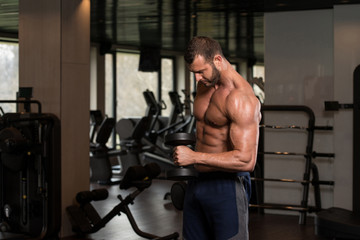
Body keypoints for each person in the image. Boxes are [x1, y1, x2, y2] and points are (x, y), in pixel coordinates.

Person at [173, 36, 262, 240]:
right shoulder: (204, 85)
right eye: (193, 72)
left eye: (200, 71)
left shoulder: (241, 98)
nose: (197, 78)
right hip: (197, 181)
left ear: (218, 60)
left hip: (227, 186)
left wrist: (194, 157)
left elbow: (246, 160)